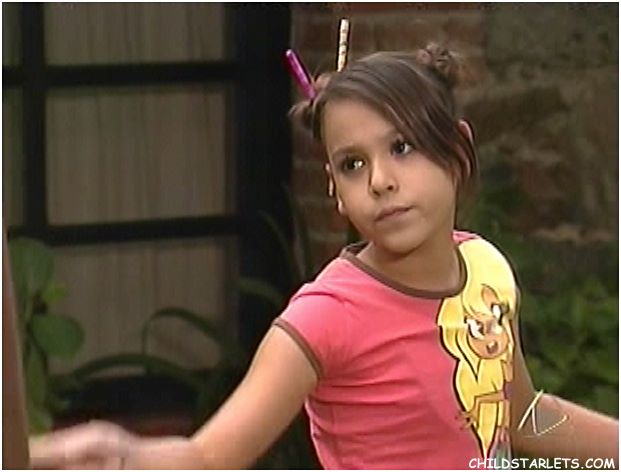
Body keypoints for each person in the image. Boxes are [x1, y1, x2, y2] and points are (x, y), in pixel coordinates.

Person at [29, 44, 619, 470]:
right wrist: (121, 454)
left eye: (403, 147)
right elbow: (209, 456)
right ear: (334, 189)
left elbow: (518, 414)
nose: (381, 180)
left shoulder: (487, 269)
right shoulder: (326, 315)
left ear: (459, 150)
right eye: (353, 164)